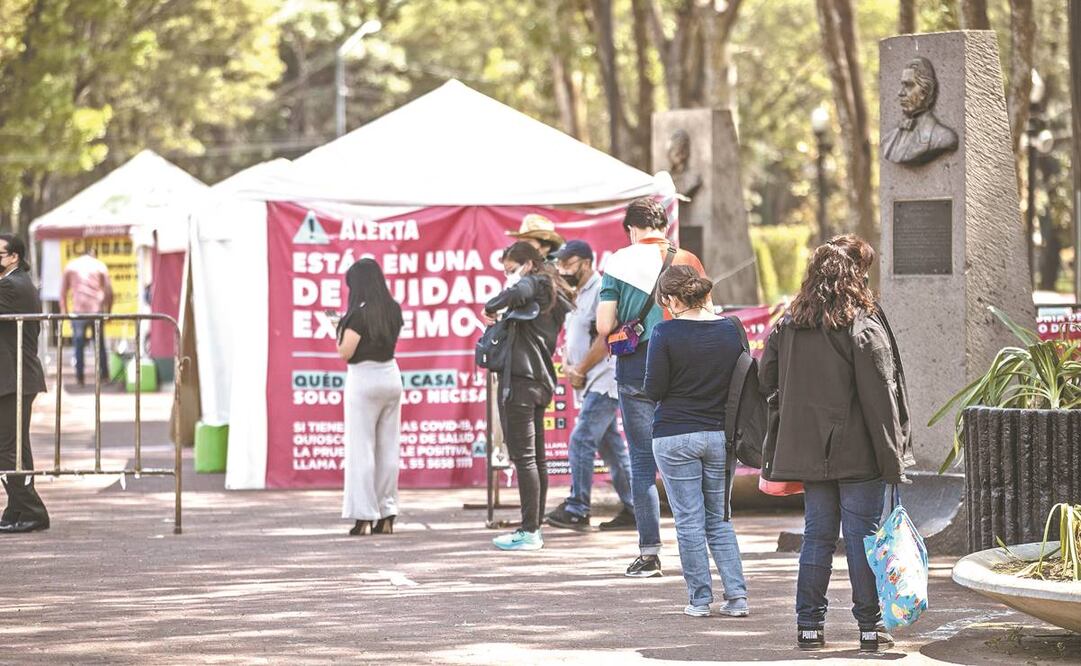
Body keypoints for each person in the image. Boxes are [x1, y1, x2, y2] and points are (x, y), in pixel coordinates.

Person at [759, 235, 913, 653]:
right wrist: (894, 458)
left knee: (817, 536)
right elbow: (883, 397)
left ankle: (809, 625)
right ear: (856, 275)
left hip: (808, 451)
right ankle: (870, 627)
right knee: (863, 536)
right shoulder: (863, 324)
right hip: (858, 451)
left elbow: (765, 378)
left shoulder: (790, 323)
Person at [596, 196, 707, 578]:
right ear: (664, 224)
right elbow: (707, 314)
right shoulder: (687, 260)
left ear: (632, 228)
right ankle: (701, 543)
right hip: (684, 368)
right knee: (689, 457)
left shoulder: (618, 261)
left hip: (636, 368)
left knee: (643, 461)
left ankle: (649, 553)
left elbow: (603, 324)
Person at [644, 265, 749, 618]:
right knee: (719, 519)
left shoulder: (664, 333)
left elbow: (654, 389)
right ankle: (737, 598)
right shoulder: (732, 330)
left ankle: (700, 600)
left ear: (673, 298)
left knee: (688, 521)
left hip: (674, 435)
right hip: (719, 435)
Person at [481, 241, 574, 550]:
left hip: (520, 381)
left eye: (511, 270)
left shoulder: (533, 285)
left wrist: (492, 306)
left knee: (524, 460)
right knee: (536, 459)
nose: (510, 277)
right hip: (539, 381)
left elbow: (515, 293)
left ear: (528, 265)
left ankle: (529, 530)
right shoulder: (550, 293)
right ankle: (533, 527)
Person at [544, 240, 635, 532]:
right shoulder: (579, 294)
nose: (563, 269)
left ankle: (578, 507)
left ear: (585, 262)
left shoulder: (599, 291)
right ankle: (635, 508)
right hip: (589, 379)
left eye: (567, 263)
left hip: (602, 379)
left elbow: (605, 337)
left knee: (581, 440)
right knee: (613, 449)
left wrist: (580, 369)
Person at [336, 259, 404, 536]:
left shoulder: (357, 315)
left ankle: (363, 516)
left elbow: (345, 352)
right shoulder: (393, 309)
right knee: (388, 448)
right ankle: (387, 513)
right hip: (390, 376)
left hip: (364, 380)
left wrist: (337, 329)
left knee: (361, 449)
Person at [0, 234, 50, 533]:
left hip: (13, 377)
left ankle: (31, 510)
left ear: (14, 256)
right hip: (15, 376)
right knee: (14, 447)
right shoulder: (17, 283)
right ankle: (17, 508)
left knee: (9, 447)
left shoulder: (10, 286)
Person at [881, 56, 958, 166]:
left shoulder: (943, 137)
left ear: (925, 91)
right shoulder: (889, 139)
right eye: (902, 85)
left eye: (908, 85)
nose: (901, 92)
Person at [60, 247, 113, 386]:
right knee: (99, 344)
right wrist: (109, 311)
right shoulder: (99, 265)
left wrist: (65, 313)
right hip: (96, 310)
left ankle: (80, 377)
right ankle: (104, 376)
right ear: (93, 254)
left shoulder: (71, 266)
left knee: (78, 345)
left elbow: (62, 293)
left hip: (79, 312)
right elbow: (109, 291)